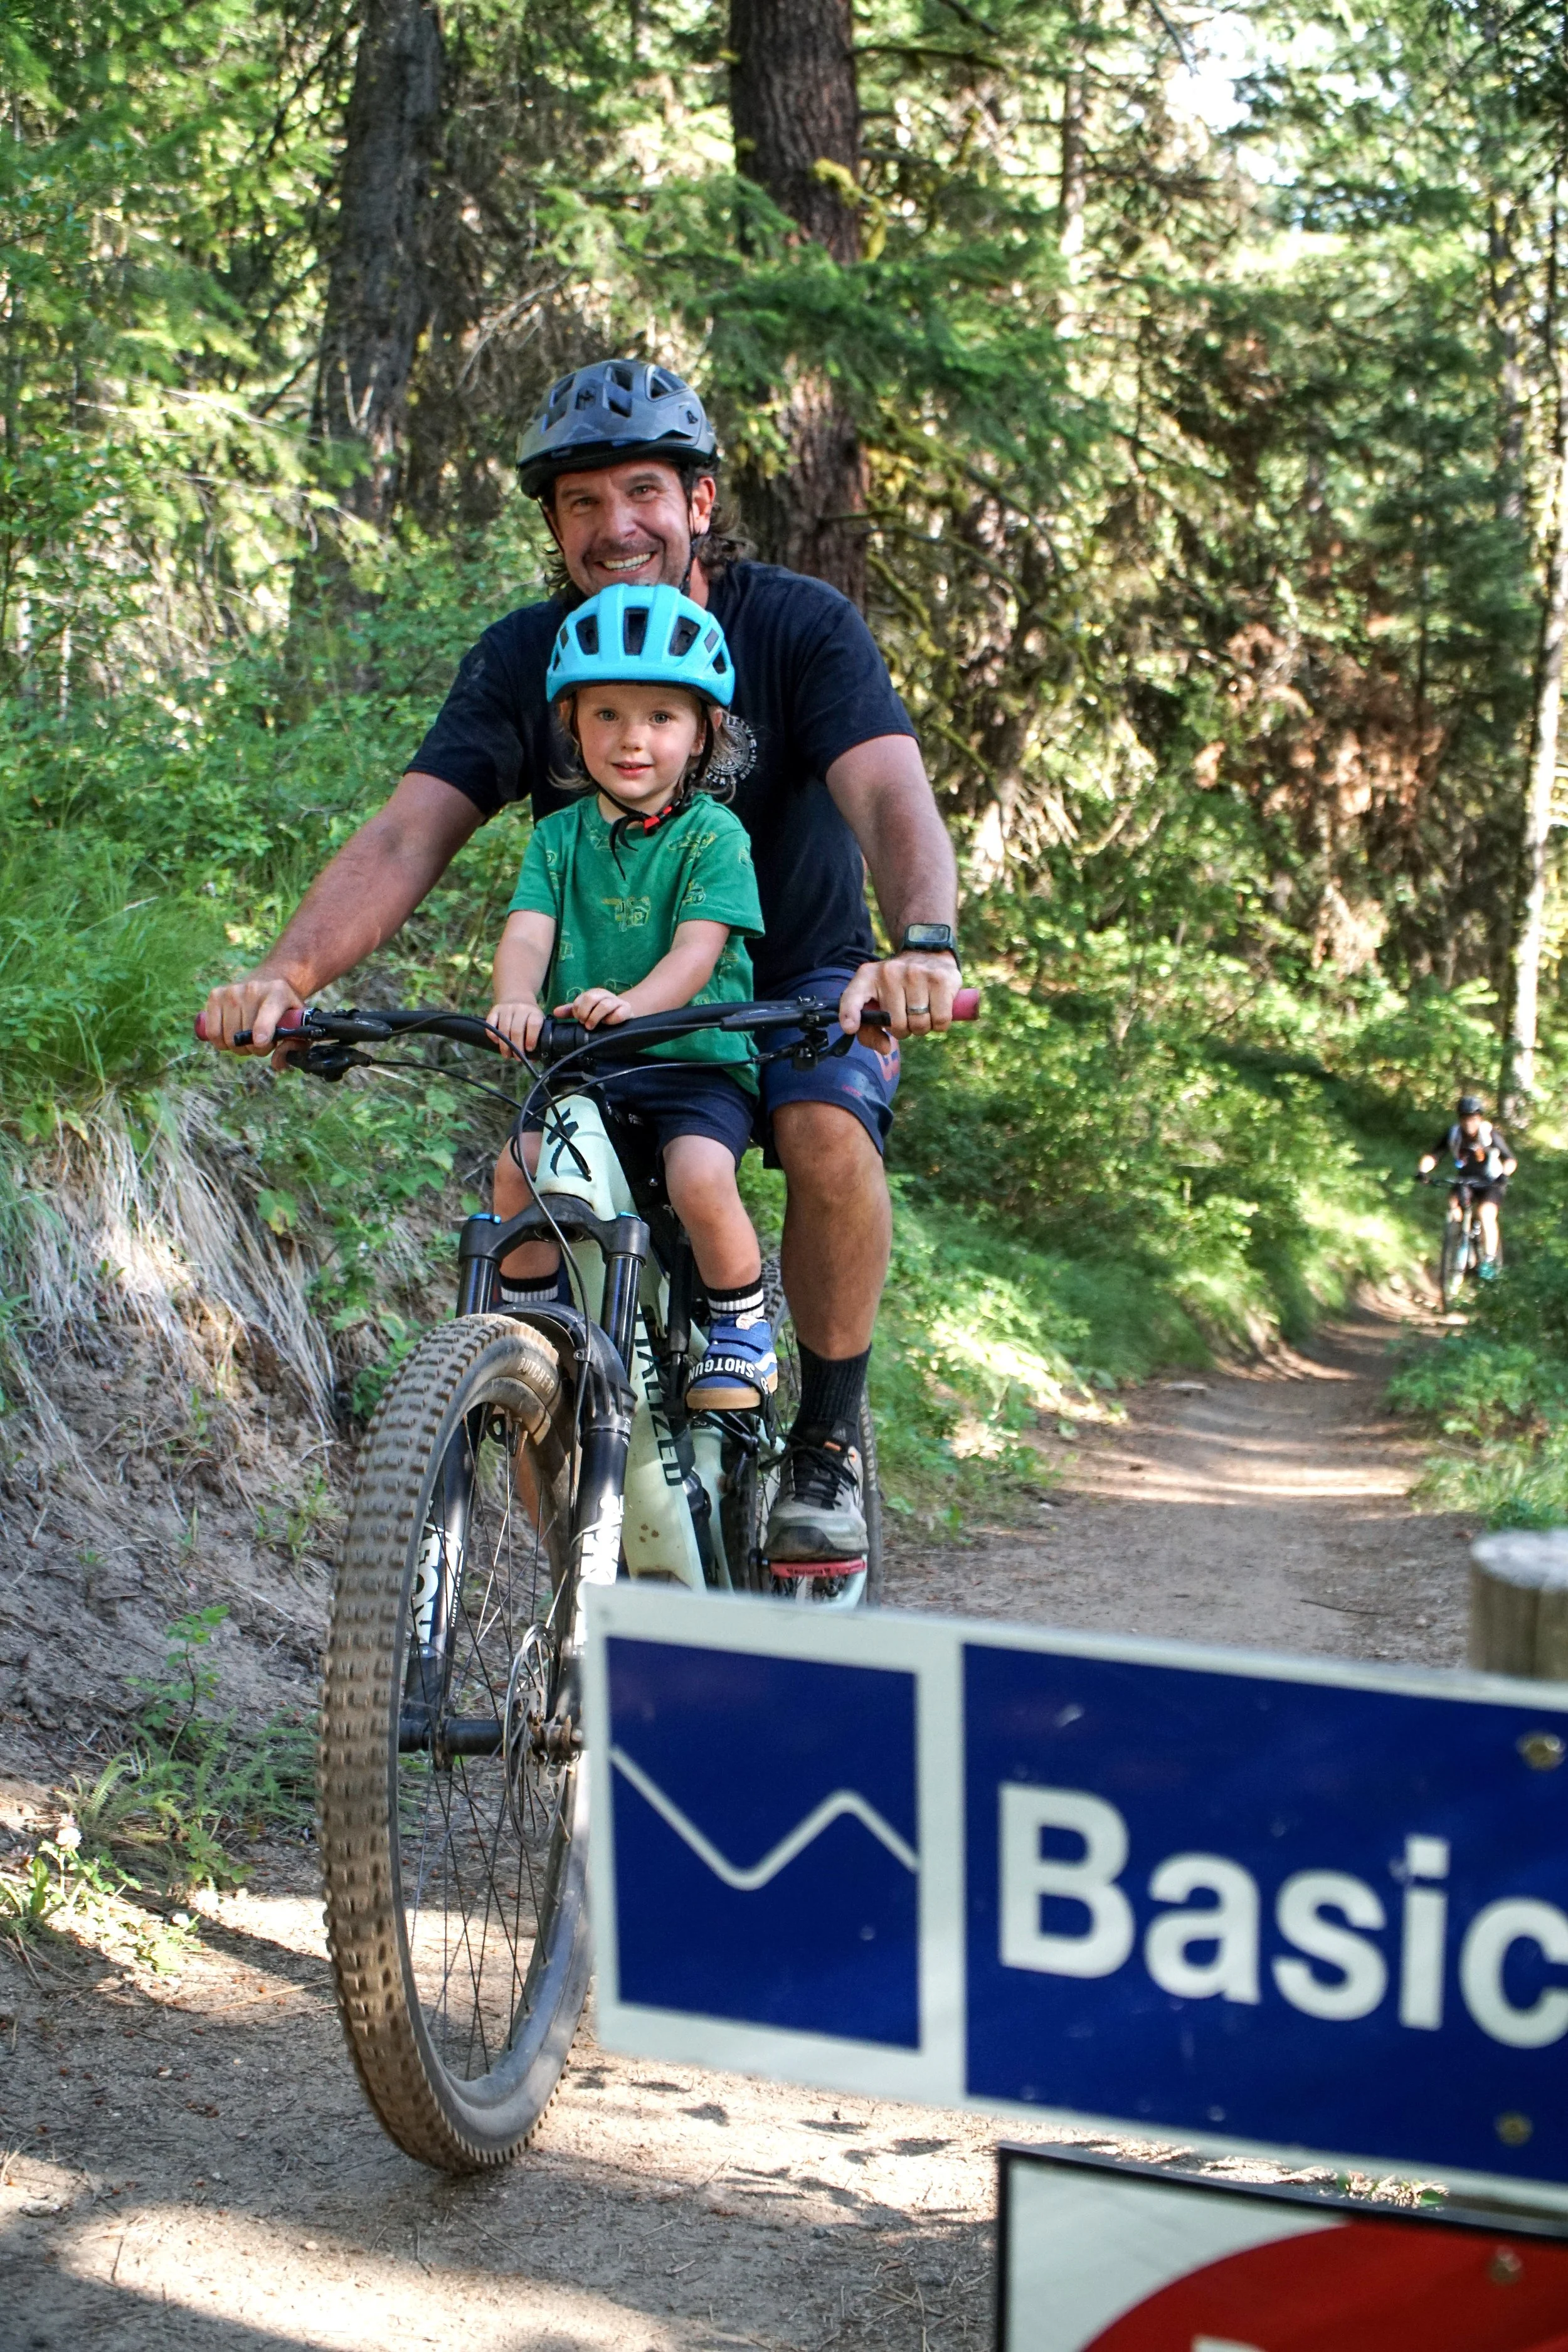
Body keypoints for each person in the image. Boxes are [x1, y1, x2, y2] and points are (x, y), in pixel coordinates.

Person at [199, 356, 961, 1564]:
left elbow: (888, 791)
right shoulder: (530, 660)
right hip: (606, 1017)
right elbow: (411, 830)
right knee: (538, 1185)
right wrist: (287, 977)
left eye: (645, 492)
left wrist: (919, 943)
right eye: (581, 503)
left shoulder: (799, 627)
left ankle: (827, 1441)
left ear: (700, 501)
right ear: (552, 524)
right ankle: (567, 1483)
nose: (617, 527)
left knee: (824, 1134)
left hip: (799, 983)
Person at [490, 581, 776, 1411]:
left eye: (660, 716)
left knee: (696, 1174)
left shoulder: (713, 835)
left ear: (702, 735)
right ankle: (533, 1330)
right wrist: (516, 996)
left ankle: (741, 1327)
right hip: (591, 1063)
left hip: (695, 1062)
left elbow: (696, 952)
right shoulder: (558, 835)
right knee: (521, 1171)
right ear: (572, 725)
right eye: (606, 714)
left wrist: (637, 1001)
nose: (631, 738)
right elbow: (530, 933)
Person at [1417, 1093, 1516, 1279]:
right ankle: (1455, 1250)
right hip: (1465, 1181)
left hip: (1491, 1182)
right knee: (1453, 1208)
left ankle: (1488, 1260)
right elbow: (1434, 1155)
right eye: (1464, 1118)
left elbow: (1510, 1159)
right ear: (1460, 1118)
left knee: (1486, 1214)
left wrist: (1504, 1175)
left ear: (1479, 1118)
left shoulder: (1489, 1134)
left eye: (1472, 1118)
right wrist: (1423, 1171)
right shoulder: (1454, 1134)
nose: (1468, 1123)